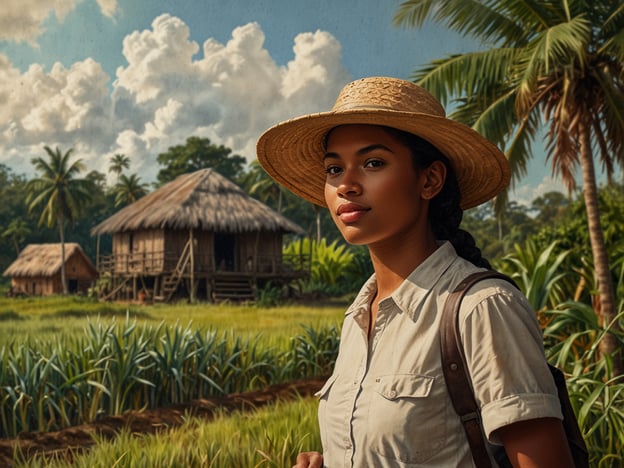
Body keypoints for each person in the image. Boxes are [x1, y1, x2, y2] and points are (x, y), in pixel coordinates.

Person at [256, 77, 574, 467]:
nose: (346, 185)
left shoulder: (483, 308)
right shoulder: (358, 318)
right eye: (334, 168)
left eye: (373, 163)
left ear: (429, 180)